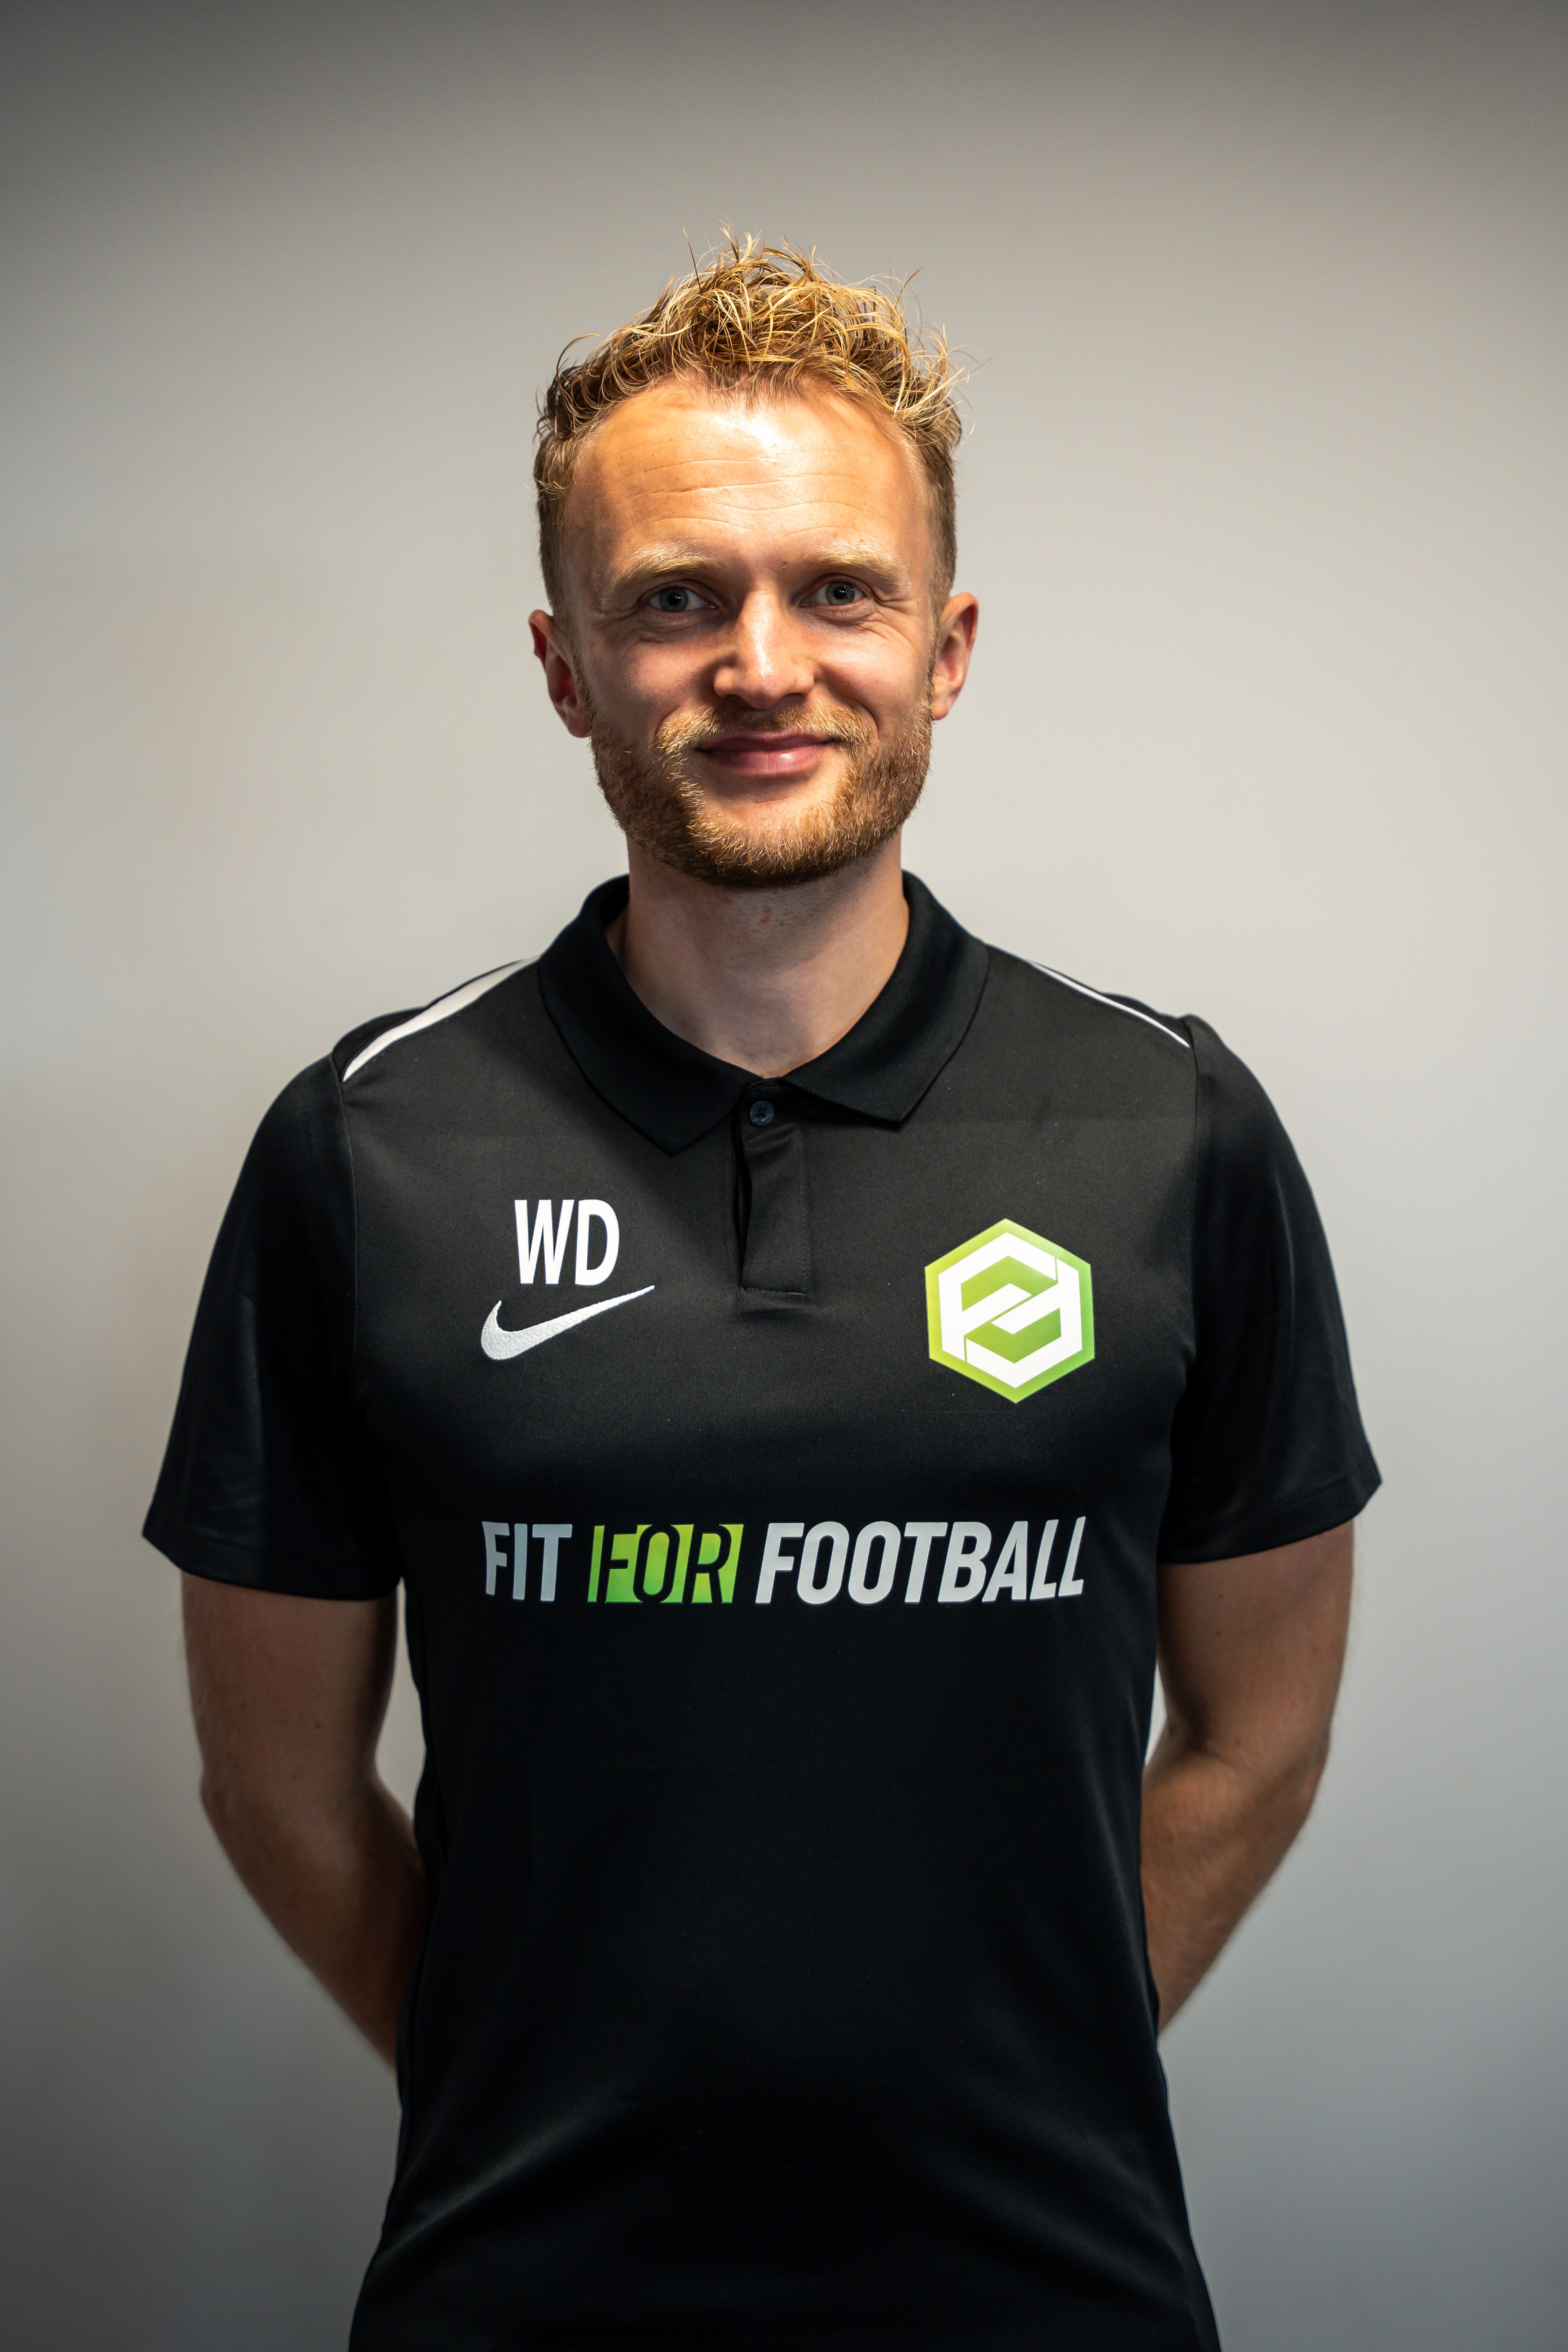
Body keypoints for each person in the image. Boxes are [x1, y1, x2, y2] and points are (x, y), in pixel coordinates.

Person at [146, 238, 1379, 2350]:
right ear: (565, 667)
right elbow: (278, 1788)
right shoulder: (365, 1144)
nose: (763, 664)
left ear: (948, 646)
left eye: (840, 593)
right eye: (675, 601)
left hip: (1051, 2292)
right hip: (522, 2292)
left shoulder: (1170, 1124)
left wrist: (1032, 2063)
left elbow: (1260, 1738)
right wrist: (523, 2091)